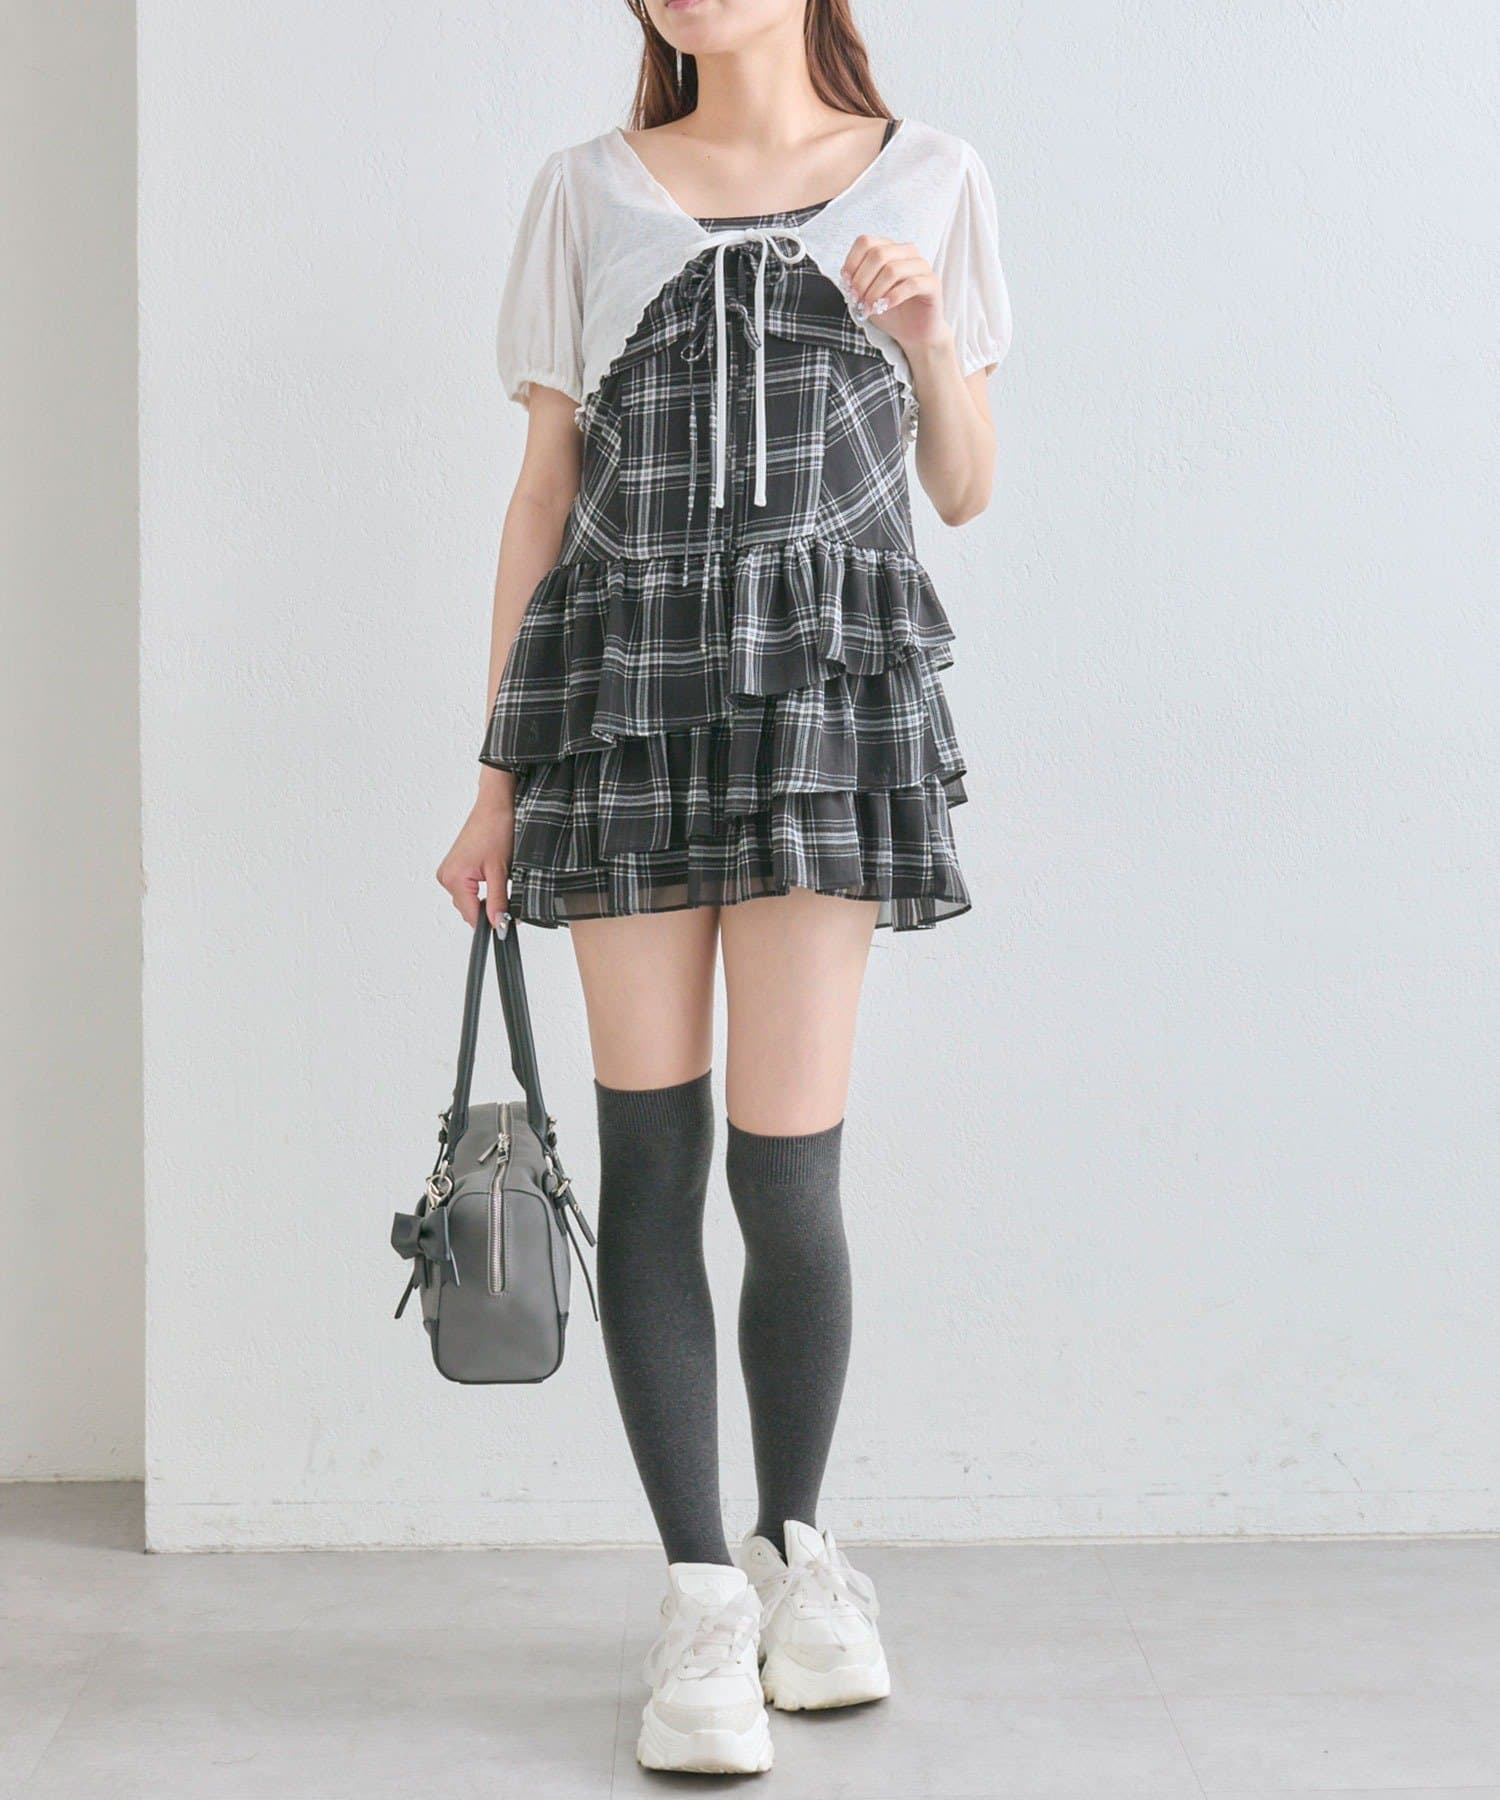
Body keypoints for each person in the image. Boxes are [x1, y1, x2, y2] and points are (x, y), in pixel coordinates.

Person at [437, 0, 1010, 1774]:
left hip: (826, 708)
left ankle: (797, 1556)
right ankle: (698, 1594)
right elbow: (542, 494)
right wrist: (495, 779)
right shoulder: (586, 189)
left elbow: (967, 487)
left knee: (790, 1166)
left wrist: (925, 338)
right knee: (656, 1156)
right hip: (622, 701)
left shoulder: (932, 175)